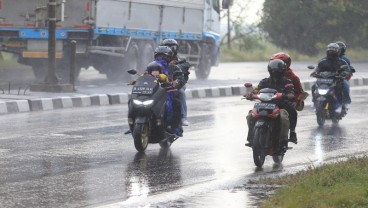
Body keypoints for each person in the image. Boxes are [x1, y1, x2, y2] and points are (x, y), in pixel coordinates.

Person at [244, 59, 295, 150]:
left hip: (280, 106)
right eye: (273, 70)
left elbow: (291, 93)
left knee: (283, 117)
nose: (275, 72)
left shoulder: (287, 82)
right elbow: (256, 90)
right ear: (269, 70)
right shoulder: (264, 81)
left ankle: (284, 140)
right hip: (264, 105)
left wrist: (287, 95)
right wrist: (250, 94)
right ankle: (251, 138)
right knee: (250, 116)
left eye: (277, 70)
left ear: (282, 70)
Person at [270, 52, 306, 144]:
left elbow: (300, 92)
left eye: (278, 64)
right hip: (272, 102)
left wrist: (295, 100)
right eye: (273, 64)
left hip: (286, 102)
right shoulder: (270, 78)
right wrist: (253, 92)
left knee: (291, 110)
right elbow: (260, 87)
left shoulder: (293, 78)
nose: (275, 67)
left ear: (285, 64)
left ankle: (292, 132)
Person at [153, 45, 186, 137]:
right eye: (159, 56)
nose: (161, 58)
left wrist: (176, 82)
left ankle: (174, 126)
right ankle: (135, 122)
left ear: (169, 57)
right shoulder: (152, 66)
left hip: (168, 92)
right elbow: (145, 74)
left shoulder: (173, 67)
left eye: (164, 56)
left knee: (175, 102)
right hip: (153, 92)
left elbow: (180, 78)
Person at [310, 43, 350, 113]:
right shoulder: (323, 62)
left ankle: (340, 104)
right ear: (327, 51)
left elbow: (346, 70)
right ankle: (314, 103)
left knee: (340, 87)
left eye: (333, 51)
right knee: (314, 87)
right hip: (324, 81)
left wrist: (343, 74)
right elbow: (318, 69)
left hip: (336, 81)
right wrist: (314, 73)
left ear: (337, 51)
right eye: (329, 51)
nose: (331, 52)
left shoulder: (342, 62)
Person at [160, 39, 191, 126]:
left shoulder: (181, 61)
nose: (169, 49)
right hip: (159, 84)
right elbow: (149, 69)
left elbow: (184, 70)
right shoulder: (157, 61)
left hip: (174, 85)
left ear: (176, 49)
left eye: (172, 47)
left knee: (181, 93)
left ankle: (183, 117)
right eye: (166, 47)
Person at [336, 41, 354, 110]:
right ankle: (315, 103)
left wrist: (344, 74)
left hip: (340, 77)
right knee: (316, 85)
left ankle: (346, 102)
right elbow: (321, 65)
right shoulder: (328, 58)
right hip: (330, 77)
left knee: (345, 84)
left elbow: (347, 69)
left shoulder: (345, 59)